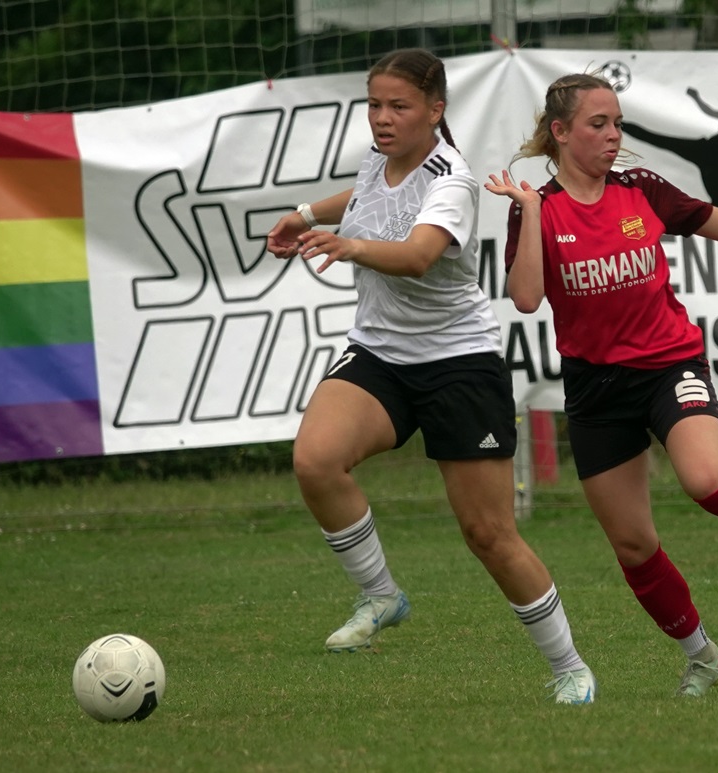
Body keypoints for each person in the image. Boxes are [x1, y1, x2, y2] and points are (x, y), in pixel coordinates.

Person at [266, 49, 595, 704]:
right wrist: (306, 214)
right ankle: (381, 594)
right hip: (380, 354)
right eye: (375, 105)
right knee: (315, 461)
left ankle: (570, 667)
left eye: (399, 106)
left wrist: (348, 245)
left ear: (435, 110)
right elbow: (365, 196)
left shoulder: (452, 179)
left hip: (458, 365)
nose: (382, 118)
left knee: (489, 535)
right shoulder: (377, 161)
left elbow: (418, 255)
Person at [485, 72, 718, 699]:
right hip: (596, 388)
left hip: (671, 366)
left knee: (706, 480)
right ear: (560, 132)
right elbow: (525, 298)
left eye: (617, 122)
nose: (614, 134)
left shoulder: (641, 188)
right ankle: (702, 657)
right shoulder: (538, 209)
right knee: (634, 545)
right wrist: (528, 211)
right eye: (598, 124)